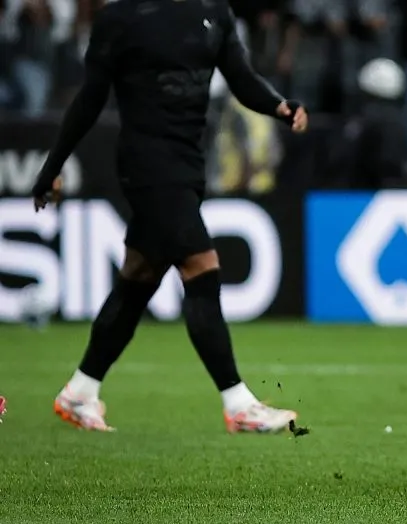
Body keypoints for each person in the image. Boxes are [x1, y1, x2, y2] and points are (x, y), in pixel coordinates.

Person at [31, 0, 308, 433]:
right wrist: (52, 167)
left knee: (138, 279)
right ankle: (238, 404)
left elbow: (241, 79)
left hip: (187, 164)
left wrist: (278, 106)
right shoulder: (120, 18)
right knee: (201, 266)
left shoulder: (215, 13)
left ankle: (80, 391)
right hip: (145, 164)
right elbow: (90, 98)